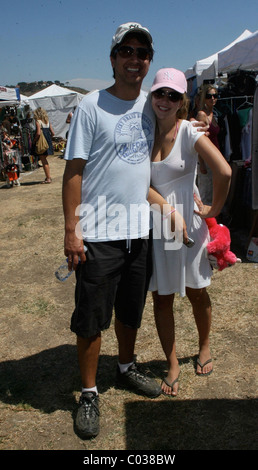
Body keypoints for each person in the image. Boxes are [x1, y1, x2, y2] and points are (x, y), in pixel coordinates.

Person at [62, 23, 207, 439]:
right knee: (91, 318)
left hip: (138, 232)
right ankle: (89, 393)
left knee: (130, 311)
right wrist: (73, 231)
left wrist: (191, 182)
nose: (134, 58)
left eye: (142, 52)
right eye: (126, 50)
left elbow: (169, 148)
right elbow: (73, 172)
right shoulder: (92, 106)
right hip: (98, 233)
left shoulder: (151, 104)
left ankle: (126, 367)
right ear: (113, 58)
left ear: (149, 62)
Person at [148, 68, 232, 396]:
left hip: (190, 225)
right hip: (158, 225)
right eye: (160, 93)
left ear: (182, 100)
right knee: (162, 298)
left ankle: (205, 346)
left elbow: (223, 170)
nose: (165, 100)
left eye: (173, 95)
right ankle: (171, 362)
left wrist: (212, 209)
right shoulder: (142, 133)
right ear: (151, 96)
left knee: (196, 290)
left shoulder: (189, 132)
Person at [196, 84, 221, 205]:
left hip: (215, 158)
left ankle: (212, 220)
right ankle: (203, 222)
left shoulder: (214, 114)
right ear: (204, 98)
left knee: (213, 191)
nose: (212, 98)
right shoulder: (202, 114)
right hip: (206, 159)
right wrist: (201, 163)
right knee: (205, 193)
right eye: (209, 96)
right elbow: (199, 140)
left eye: (215, 96)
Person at [33, 107, 54, 183]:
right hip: (47, 142)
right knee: (44, 159)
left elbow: (38, 133)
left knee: (43, 160)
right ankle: (48, 177)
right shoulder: (47, 121)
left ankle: (48, 178)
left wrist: (34, 140)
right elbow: (53, 133)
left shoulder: (38, 122)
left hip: (42, 143)